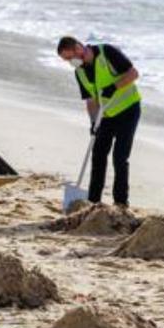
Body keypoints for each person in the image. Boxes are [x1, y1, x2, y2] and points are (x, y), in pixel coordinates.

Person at [57, 36, 141, 207]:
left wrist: (113, 87)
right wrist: (94, 122)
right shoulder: (79, 72)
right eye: (66, 60)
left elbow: (133, 73)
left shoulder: (107, 52)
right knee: (98, 156)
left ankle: (121, 203)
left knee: (120, 157)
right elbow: (90, 100)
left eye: (69, 58)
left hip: (128, 111)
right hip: (106, 116)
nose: (69, 62)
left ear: (78, 48)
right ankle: (94, 201)